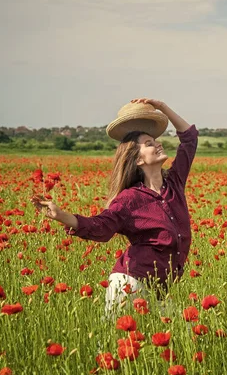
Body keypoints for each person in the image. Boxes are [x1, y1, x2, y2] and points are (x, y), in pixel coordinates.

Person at [31, 98, 198, 313]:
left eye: (156, 141)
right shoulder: (129, 199)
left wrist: (162, 108)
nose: (158, 144)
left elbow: (190, 139)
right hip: (130, 284)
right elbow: (101, 227)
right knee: (117, 343)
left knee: (178, 337)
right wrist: (61, 215)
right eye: (149, 144)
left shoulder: (174, 184)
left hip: (159, 289)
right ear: (137, 160)